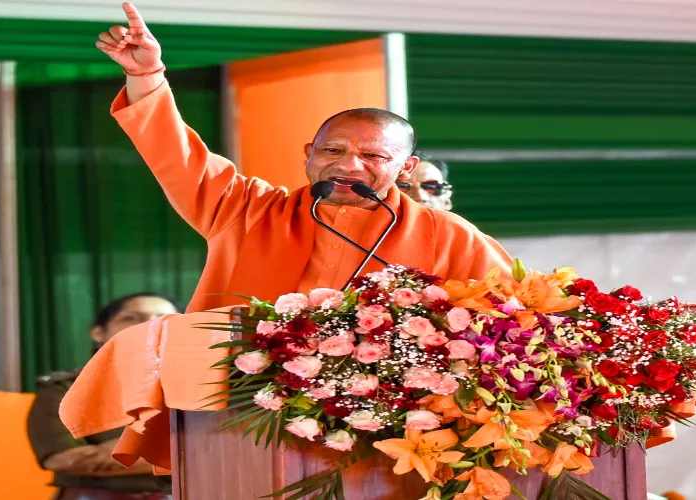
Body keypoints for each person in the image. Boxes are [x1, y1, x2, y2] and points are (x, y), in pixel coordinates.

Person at [95, 3, 513, 313]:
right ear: (308, 155)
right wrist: (145, 77)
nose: (349, 166)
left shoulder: (446, 235)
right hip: (242, 412)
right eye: (333, 150)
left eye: (371, 155)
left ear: (405, 168)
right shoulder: (246, 211)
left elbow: (516, 314)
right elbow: (175, 154)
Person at [27, 292, 180, 500]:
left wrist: (116, 452)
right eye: (131, 318)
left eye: (163, 319)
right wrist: (174, 455)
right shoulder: (64, 389)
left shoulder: (201, 387)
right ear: (99, 333)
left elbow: (212, 454)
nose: (150, 325)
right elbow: (60, 459)